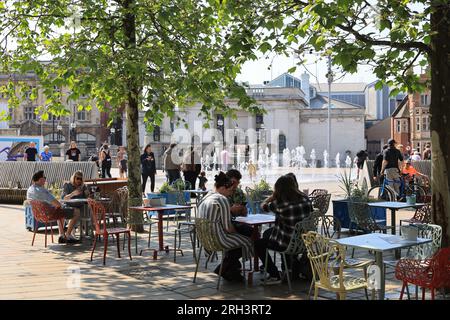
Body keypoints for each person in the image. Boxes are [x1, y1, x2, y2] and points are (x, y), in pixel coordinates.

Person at [254, 175, 313, 283]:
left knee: (258, 243)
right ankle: (288, 269)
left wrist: (272, 197)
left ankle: (274, 274)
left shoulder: (280, 203)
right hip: (304, 242)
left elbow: (263, 207)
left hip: (287, 243)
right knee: (268, 233)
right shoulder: (306, 199)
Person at [197, 172, 253, 282]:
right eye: (230, 190)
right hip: (218, 240)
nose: (231, 194)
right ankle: (223, 268)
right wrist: (238, 234)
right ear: (223, 188)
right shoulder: (221, 199)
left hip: (205, 240)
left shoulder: (206, 197)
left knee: (239, 240)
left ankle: (229, 271)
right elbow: (228, 228)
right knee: (248, 241)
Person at [27, 170, 80, 243]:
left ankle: (61, 235)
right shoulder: (42, 190)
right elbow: (57, 204)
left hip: (38, 215)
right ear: (40, 179)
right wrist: (60, 204)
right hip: (49, 215)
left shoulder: (30, 189)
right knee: (76, 212)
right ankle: (67, 235)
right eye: (44, 177)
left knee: (60, 210)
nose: (45, 179)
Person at [226, 169, 252, 238]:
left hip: (238, 222)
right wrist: (231, 210)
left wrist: (243, 210)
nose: (235, 185)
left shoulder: (239, 192)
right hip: (225, 224)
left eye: (237, 182)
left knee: (252, 231)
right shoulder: (222, 191)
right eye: (233, 182)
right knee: (248, 231)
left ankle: (249, 248)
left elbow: (245, 213)